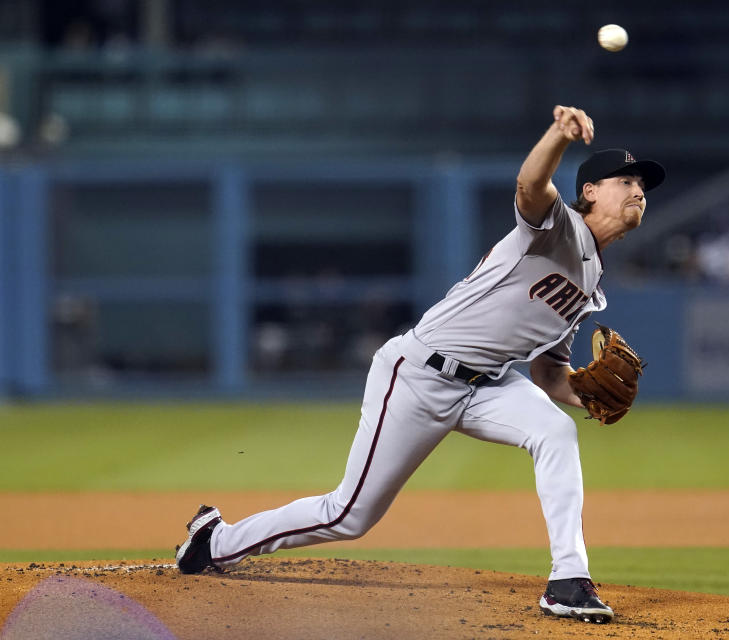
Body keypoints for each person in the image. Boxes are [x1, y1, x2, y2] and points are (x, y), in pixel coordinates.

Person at [175, 105, 665, 625]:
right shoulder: (555, 227)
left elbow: (548, 375)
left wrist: (586, 394)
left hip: (490, 386)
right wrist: (559, 136)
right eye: (626, 180)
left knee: (556, 431)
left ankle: (569, 580)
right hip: (418, 374)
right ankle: (217, 539)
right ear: (589, 191)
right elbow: (528, 185)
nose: (639, 190)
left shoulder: (590, 288)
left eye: (643, 184)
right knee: (349, 515)